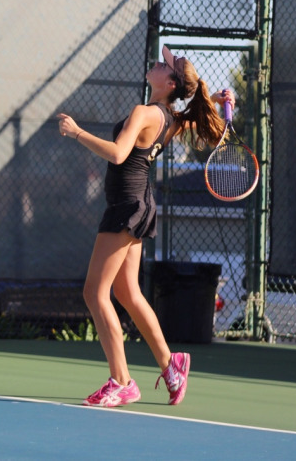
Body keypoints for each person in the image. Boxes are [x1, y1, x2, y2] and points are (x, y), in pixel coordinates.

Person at [57, 45, 234, 408]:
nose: (155, 63)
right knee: (127, 293)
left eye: (163, 64)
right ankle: (172, 365)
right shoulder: (167, 117)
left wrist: (77, 132)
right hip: (139, 205)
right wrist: (212, 100)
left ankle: (122, 380)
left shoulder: (145, 112)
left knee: (95, 293)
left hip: (126, 207)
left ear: (169, 82)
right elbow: (188, 118)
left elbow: (119, 154)